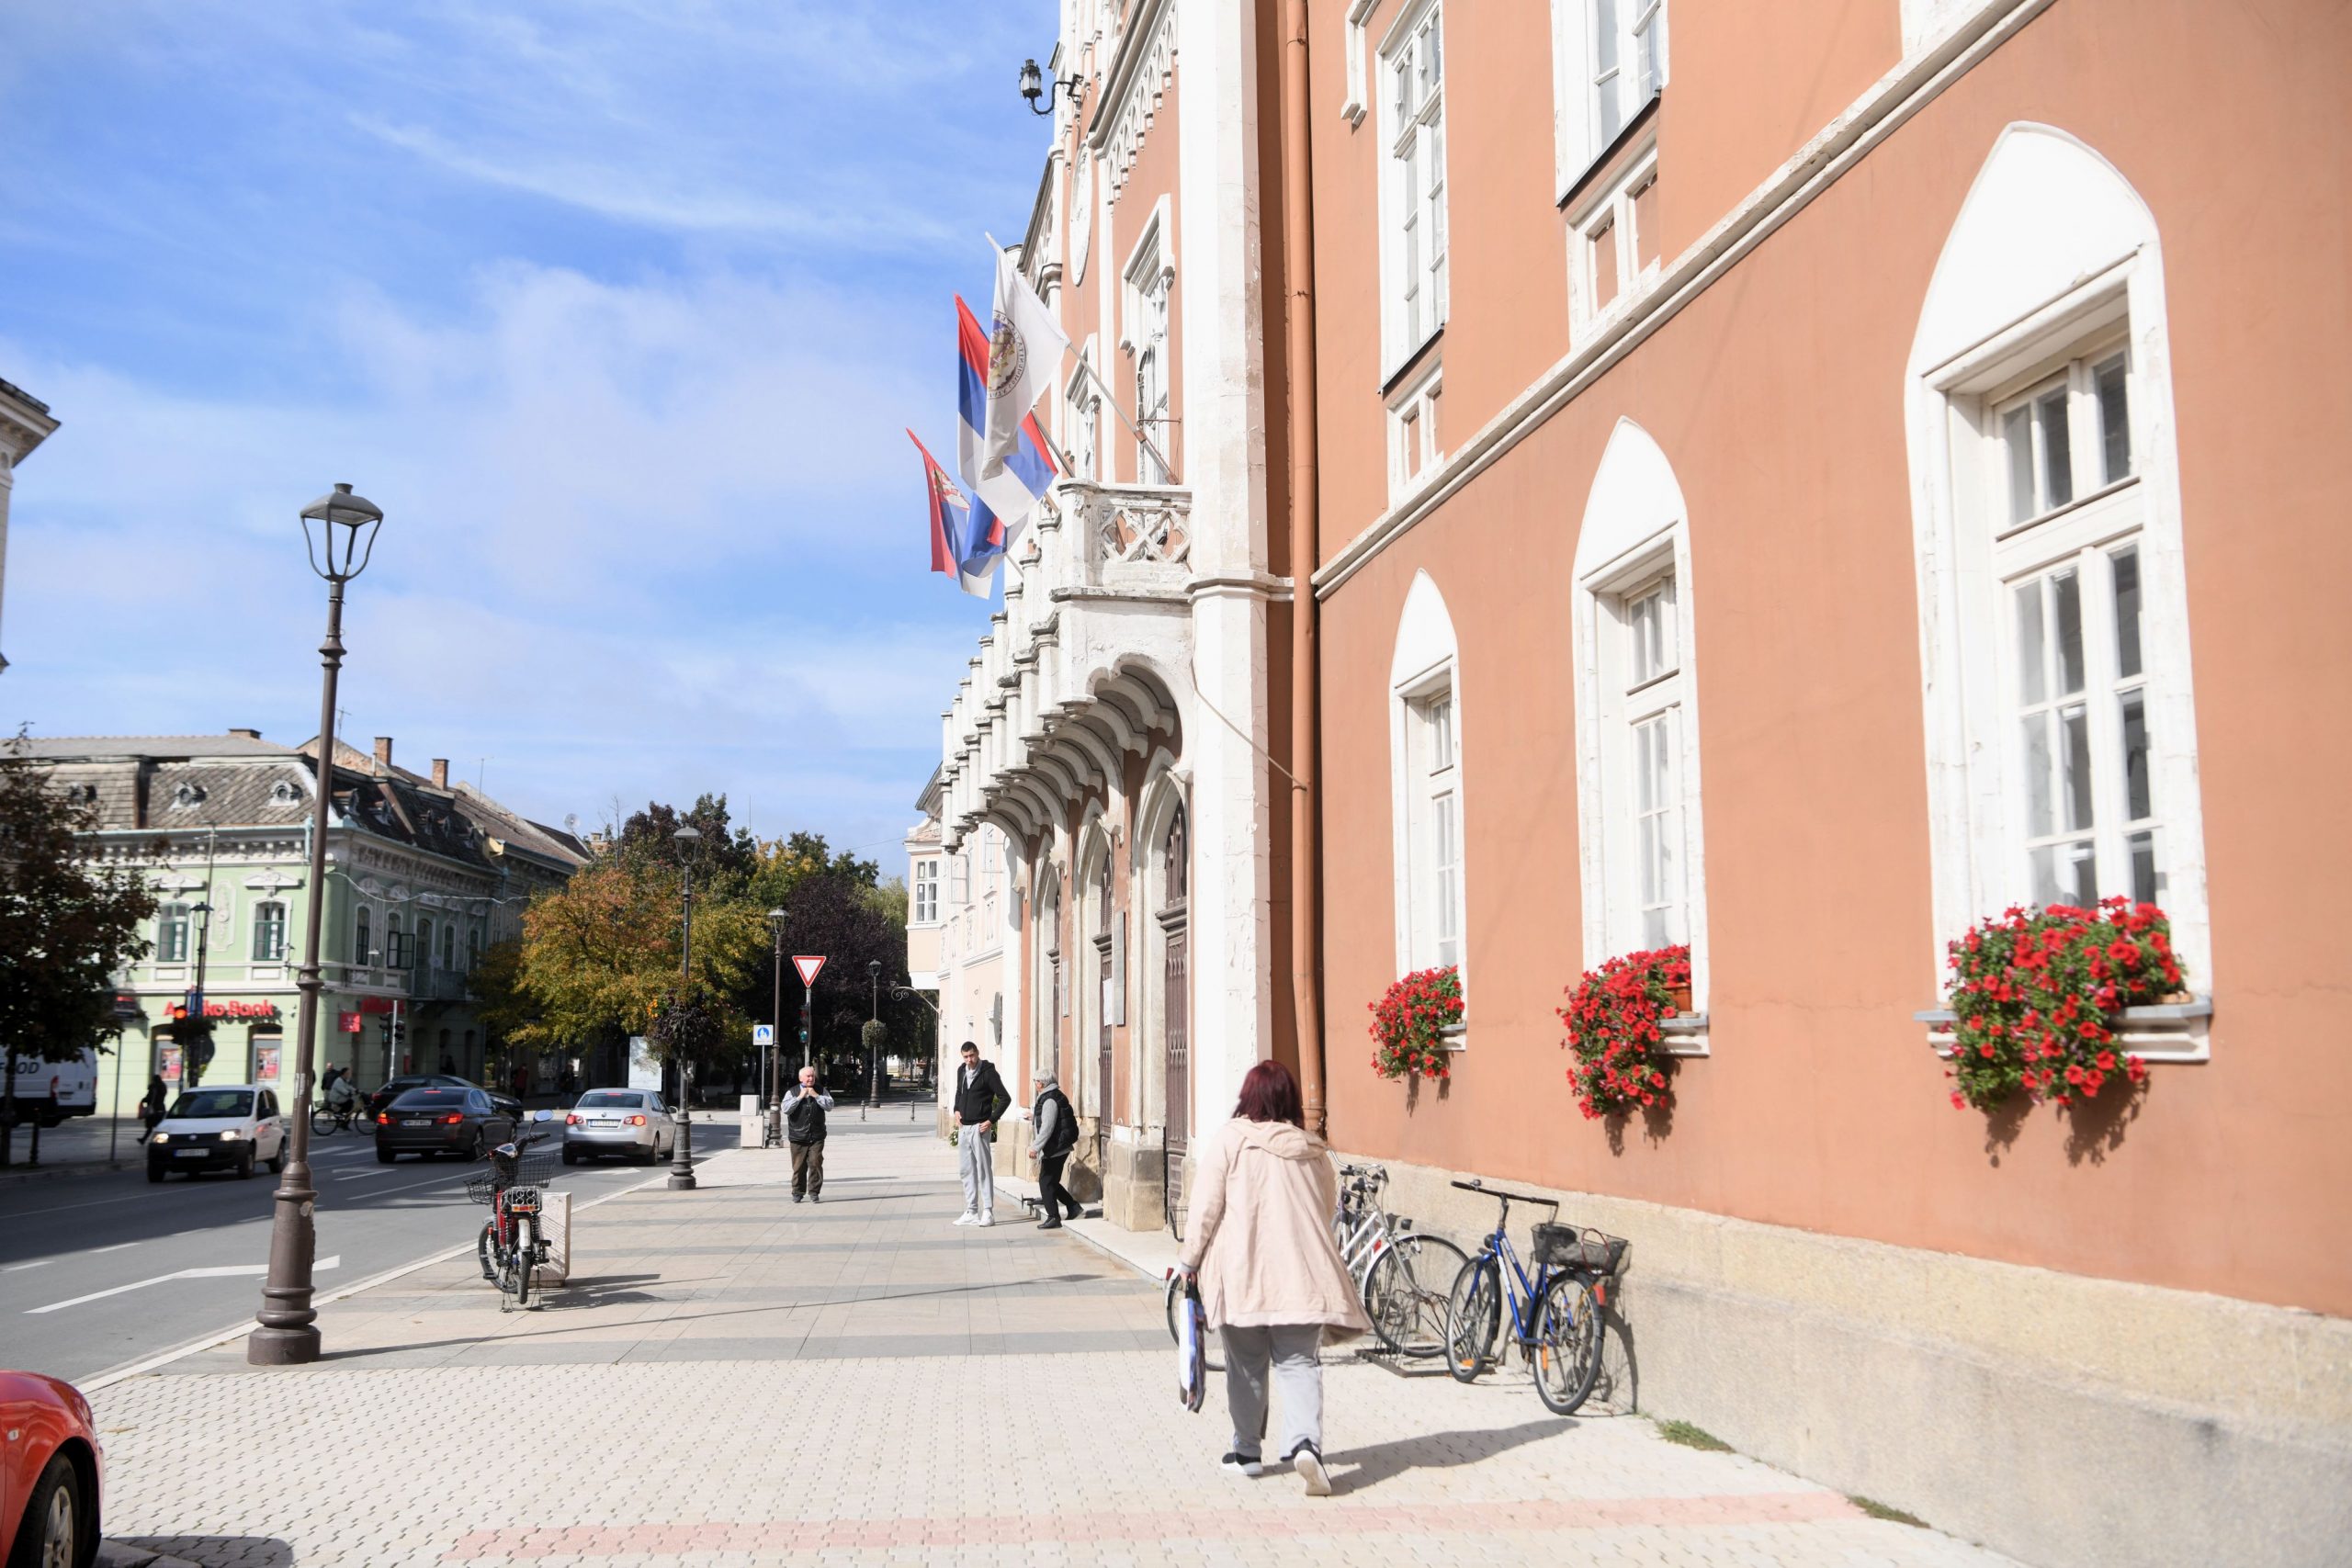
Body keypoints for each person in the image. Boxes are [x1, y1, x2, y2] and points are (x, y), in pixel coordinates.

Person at [1177, 1059, 1367, 1497]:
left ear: (1248, 1096)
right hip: (1301, 1274)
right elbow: (1324, 1210)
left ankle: (1246, 1453)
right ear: (1289, 1099)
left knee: (1245, 1365)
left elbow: (1206, 1207)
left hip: (1242, 1272)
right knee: (1299, 1363)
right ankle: (1306, 1445)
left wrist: (1188, 1261)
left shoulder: (1231, 1140)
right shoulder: (1312, 1151)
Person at [951, 1041, 1010, 1227]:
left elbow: (1005, 1098)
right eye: (966, 1057)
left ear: (977, 1053)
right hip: (964, 1127)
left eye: (972, 1056)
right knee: (966, 1170)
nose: (969, 1060)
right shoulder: (962, 1070)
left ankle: (988, 1212)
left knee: (983, 1170)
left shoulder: (988, 1073)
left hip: (980, 1127)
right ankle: (971, 1211)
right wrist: (956, 1109)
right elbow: (959, 1093)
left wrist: (991, 1120)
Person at [1029, 1070, 1081, 1229]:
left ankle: (1053, 1217)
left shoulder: (1049, 1099)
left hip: (1055, 1147)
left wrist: (1036, 1147)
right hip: (1058, 1146)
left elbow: (1048, 1127)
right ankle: (1073, 1206)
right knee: (1051, 1181)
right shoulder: (1052, 1095)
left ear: (1042, 1083)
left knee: (1046, 1182)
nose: (1035, 1085)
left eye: (1036, 1081)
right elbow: (1050, 1120)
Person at [782, 1066, 833, 1203]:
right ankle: (797, 1192)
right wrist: (800, 1097)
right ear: (801, 1078)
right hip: (798, 1136)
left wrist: (816, 1095)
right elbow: (786, 1109)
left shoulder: (821, 1090)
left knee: (815, 1163)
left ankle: (814, 1192)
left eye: (813, 1076)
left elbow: (830, 1106)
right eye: (808, 1076)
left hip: (817, 1135)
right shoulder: (792, 1092)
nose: (811, 1078)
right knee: (798, 1166)